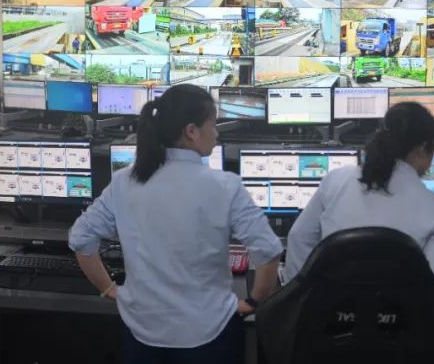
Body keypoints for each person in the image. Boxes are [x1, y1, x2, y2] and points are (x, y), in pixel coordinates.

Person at [69, 84, 283, 363]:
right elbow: (268, 252)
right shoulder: (224, 186)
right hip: (209, 335)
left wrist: (108, 289)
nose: (217, 133)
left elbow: (81, 238)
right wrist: (253, 302)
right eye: (213, 125)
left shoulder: (125, 180)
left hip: (141, 334)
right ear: (191, 131)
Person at [285, 102, 434, 287]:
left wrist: (303, 294)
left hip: (331, 303)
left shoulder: (336, 181)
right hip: (398, 305)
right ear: (422, 148)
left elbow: (298, 237)